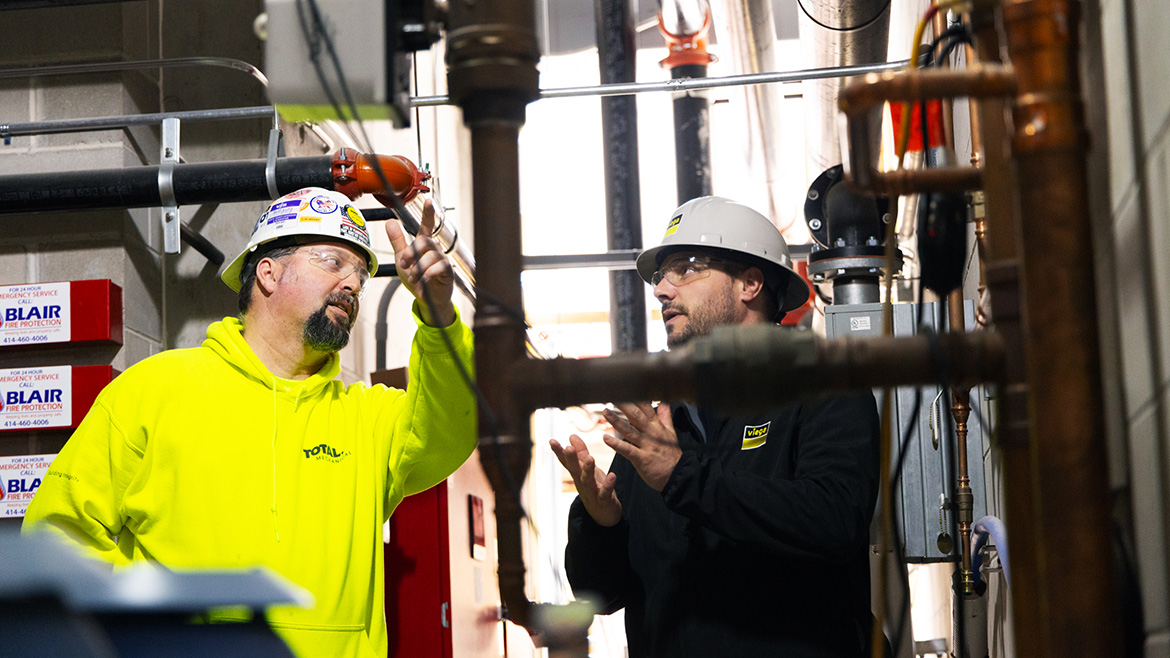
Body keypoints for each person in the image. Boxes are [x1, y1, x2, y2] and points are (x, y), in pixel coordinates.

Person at [23, 187, 476, 658]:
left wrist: (439, 316)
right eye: (331, 261)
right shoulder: (153, 391)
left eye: (360, 273)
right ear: (268, 272)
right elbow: (59, 537)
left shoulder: (370, 418)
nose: (353, 284)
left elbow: (451, 426)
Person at [551, 196, 881, 657]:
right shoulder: (661, 423)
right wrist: (600, 522)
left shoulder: (824, 387)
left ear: (749, 283)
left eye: (685, 268)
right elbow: (602, 597)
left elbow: (834, 521)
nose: (662, 289)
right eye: (660, 275)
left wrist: (682, 476)